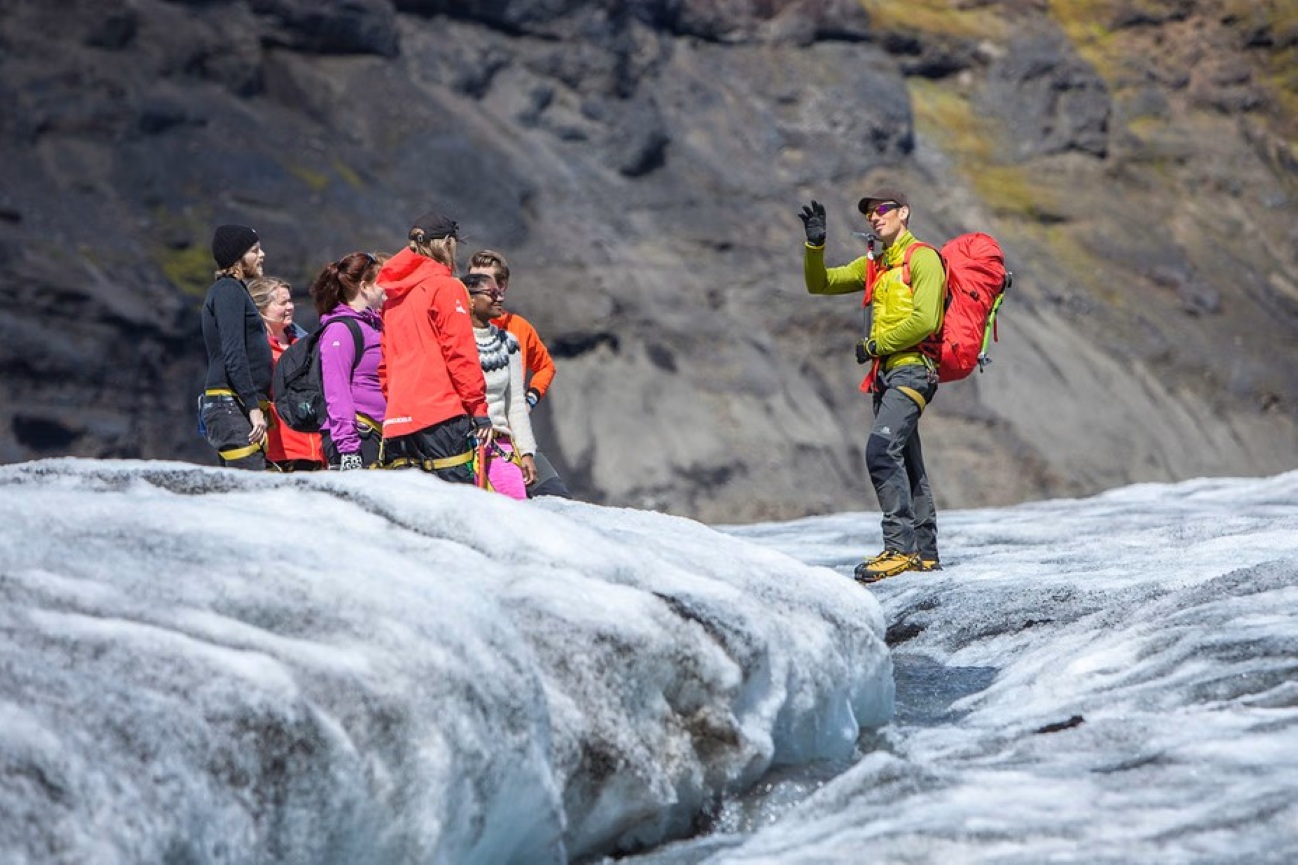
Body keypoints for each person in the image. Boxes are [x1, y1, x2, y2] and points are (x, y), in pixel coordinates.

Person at [799, 189, 946, 581]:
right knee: (907, 462)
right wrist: (816, 246)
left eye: (882, 210)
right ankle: (925, 554)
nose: (874, 217)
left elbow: (927, 320)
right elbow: (821, 284)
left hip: (914, 370)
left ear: (904, 212)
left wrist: (875, 344)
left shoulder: (924, 258)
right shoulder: (876, 266)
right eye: (869, 214)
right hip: (886, 376)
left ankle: (899, 549)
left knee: (881, 451)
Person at [377, 211, 490, 483]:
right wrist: (478, 409)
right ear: (448, 243)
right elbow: (460, 354)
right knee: (455, 509)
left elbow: (384, 365)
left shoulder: (393, 296)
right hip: (440, 415)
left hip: (397, 419)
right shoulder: (446, 288)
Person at [467, 249, 572, 498]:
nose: (475, 288)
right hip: (476, 439)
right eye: (472, 282)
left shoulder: (517, 330)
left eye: (486, 283)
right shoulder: (457, 331)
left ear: (502, 286)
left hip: (512, 435)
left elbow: (546, 366)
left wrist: (530, 400)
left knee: (556, 497)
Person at [199, 224, 272, 470]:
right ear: (237, 257)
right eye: (255, 250)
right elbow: (233, 352)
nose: (262, 255)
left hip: (235, 402)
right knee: (252, 492)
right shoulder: (228, 290)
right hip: (232, 404)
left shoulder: (236, 290)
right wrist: (253, 408)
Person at [309, 252, 387, 470]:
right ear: (365, 286)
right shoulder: (340, 330)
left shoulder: (372, 325)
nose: (386, 288)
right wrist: (348, 448)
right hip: (359, 439)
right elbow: (336, 390)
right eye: (382, 282)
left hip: (378, 435)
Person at [464, 272, 537, 498]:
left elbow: (515, 402)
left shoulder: (509, 343)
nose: (500, 299)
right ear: (470, 300)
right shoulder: (453, 342)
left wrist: (526, 453)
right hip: (463, 449)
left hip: (500, 447)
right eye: (492, 293)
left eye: (501, 292)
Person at [248, 276, 326, 472]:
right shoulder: (254, 350)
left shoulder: (304, 344)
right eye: (282, 303)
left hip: (316, 445)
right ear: (260, 308)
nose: (290, 307)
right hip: (279, 448)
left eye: (290, 301)